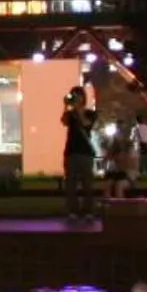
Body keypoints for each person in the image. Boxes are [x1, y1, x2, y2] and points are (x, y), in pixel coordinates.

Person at [60, 87, 101, 222]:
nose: (75, 98)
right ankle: (73, 211)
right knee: (71, 184)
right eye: (74, 96)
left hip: (85, 153)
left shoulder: (90, 113)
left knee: (87, 184)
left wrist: (78, 110)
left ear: (83, 98)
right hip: (71, 152)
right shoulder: (71, 114)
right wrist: (66, 106)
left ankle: (88, 211)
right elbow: (64, 121)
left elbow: (86, 124)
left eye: (77, 96)